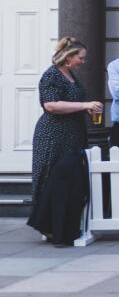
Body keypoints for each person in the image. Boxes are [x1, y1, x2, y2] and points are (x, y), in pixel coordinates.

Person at [28, 37, 99, 247]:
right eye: (80, 57)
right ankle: (52, 228)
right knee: (52, 179)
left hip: (71, 134)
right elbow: (50, 105)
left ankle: (64, 227)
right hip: (53, 136)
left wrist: (84, 107)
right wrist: (83, 105)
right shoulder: (51, 75)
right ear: (69, 57)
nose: (83, 61)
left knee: (70, 181)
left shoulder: (70, 75)